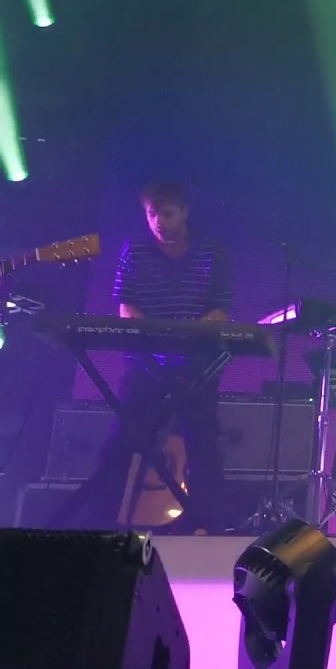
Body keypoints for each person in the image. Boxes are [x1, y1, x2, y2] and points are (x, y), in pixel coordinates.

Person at [87, 180, 233, 535]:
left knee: (204, 450)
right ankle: (97, 528)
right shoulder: (134, 250)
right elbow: (126, 303)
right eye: (152, 214)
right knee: (120, 444)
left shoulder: (211, 252)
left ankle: (207, 530)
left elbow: (220, 308)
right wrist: (147, 333)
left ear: (184, 211)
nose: (158, 222)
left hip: (197, 365)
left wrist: (191, 334)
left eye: (166, 214)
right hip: (146, 364)